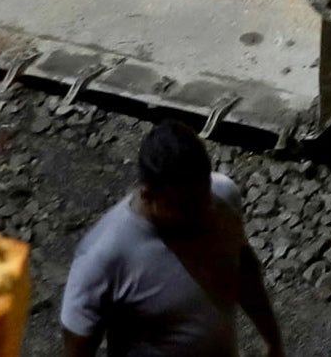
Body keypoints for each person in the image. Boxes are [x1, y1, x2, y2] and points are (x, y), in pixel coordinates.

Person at [59, 121, 285, 357]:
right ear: (148, 195)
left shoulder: (223, 199)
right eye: (183, 206)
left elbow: (244, 269)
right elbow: (78, 347)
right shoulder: (102, 256)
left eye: (203, 196)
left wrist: (272, 340)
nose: (201, 212)